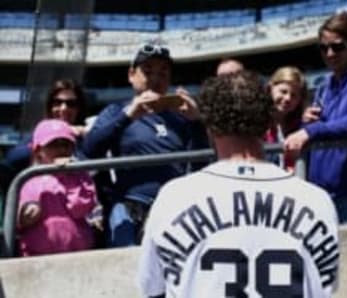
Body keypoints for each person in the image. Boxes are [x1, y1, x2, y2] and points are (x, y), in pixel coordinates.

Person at [138, 71, 339, 298]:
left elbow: (152, 289)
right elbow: (325, 288)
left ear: (210, 127)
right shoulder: (316, 200)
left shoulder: (174, 197)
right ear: (267, 123)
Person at [81, 43, 208, 247]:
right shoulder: (116, 111)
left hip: (172, 206)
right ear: (131, 75)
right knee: (124, 264)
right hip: (130, 204)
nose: (156, 79)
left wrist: (197, 122)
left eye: (163, 73)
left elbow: (201, 165)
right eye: (148, 71)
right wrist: (128, 116)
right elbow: (89, 150)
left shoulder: (182, 116)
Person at [284, 12, 347, 224]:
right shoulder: (324, 86)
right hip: (321, 196)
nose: (330, 54)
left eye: (338, 47)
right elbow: (318, 130)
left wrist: (312, 130)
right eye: (323, 48)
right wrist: (307, 122)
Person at [16, 119, 97, 256]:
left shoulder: (81, 175)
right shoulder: (28, 178)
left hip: (77, 253)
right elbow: (18, 221)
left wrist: (69, 176)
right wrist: (24, 216)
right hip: (36, 255)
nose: (61, 150)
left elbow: (80, 209)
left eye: (66, 144)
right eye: (53, 145)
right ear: (38, 151)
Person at [0, 79, 88, 191]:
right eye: (57, 102)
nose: (63, 108)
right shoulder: (40, 133)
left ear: (79, 108)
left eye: (71, 104)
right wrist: (49, 138)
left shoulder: (87, 135)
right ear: (50, 106)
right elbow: (12, 157)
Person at [265, 66, 307, 172]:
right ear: (270, 88)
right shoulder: (256, 123)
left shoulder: (300, 127)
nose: (288, 98)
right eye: (283, 92)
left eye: (294, 95)